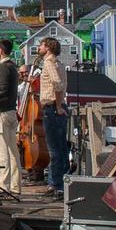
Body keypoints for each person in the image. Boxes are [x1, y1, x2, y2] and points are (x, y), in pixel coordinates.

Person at [0, 39, 22, 195]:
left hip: (1, 113)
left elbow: (1, 92)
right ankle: (15, 185)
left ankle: (2, 185)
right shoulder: (13, 67)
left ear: (1, 50)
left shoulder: (3, 67)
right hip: (11, 112)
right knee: (12, 151)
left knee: (1, 150)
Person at [39, 36, 69, 200]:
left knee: (54, 150)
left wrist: (57, 106)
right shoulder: (60, 63)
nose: (39, 47)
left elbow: (57, 84)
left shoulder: (49, 62)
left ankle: (55, 184)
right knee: (62, 148)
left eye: (41, 45)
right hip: (59, 106)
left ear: (48, 48)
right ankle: (62, 183)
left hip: (52, 108)